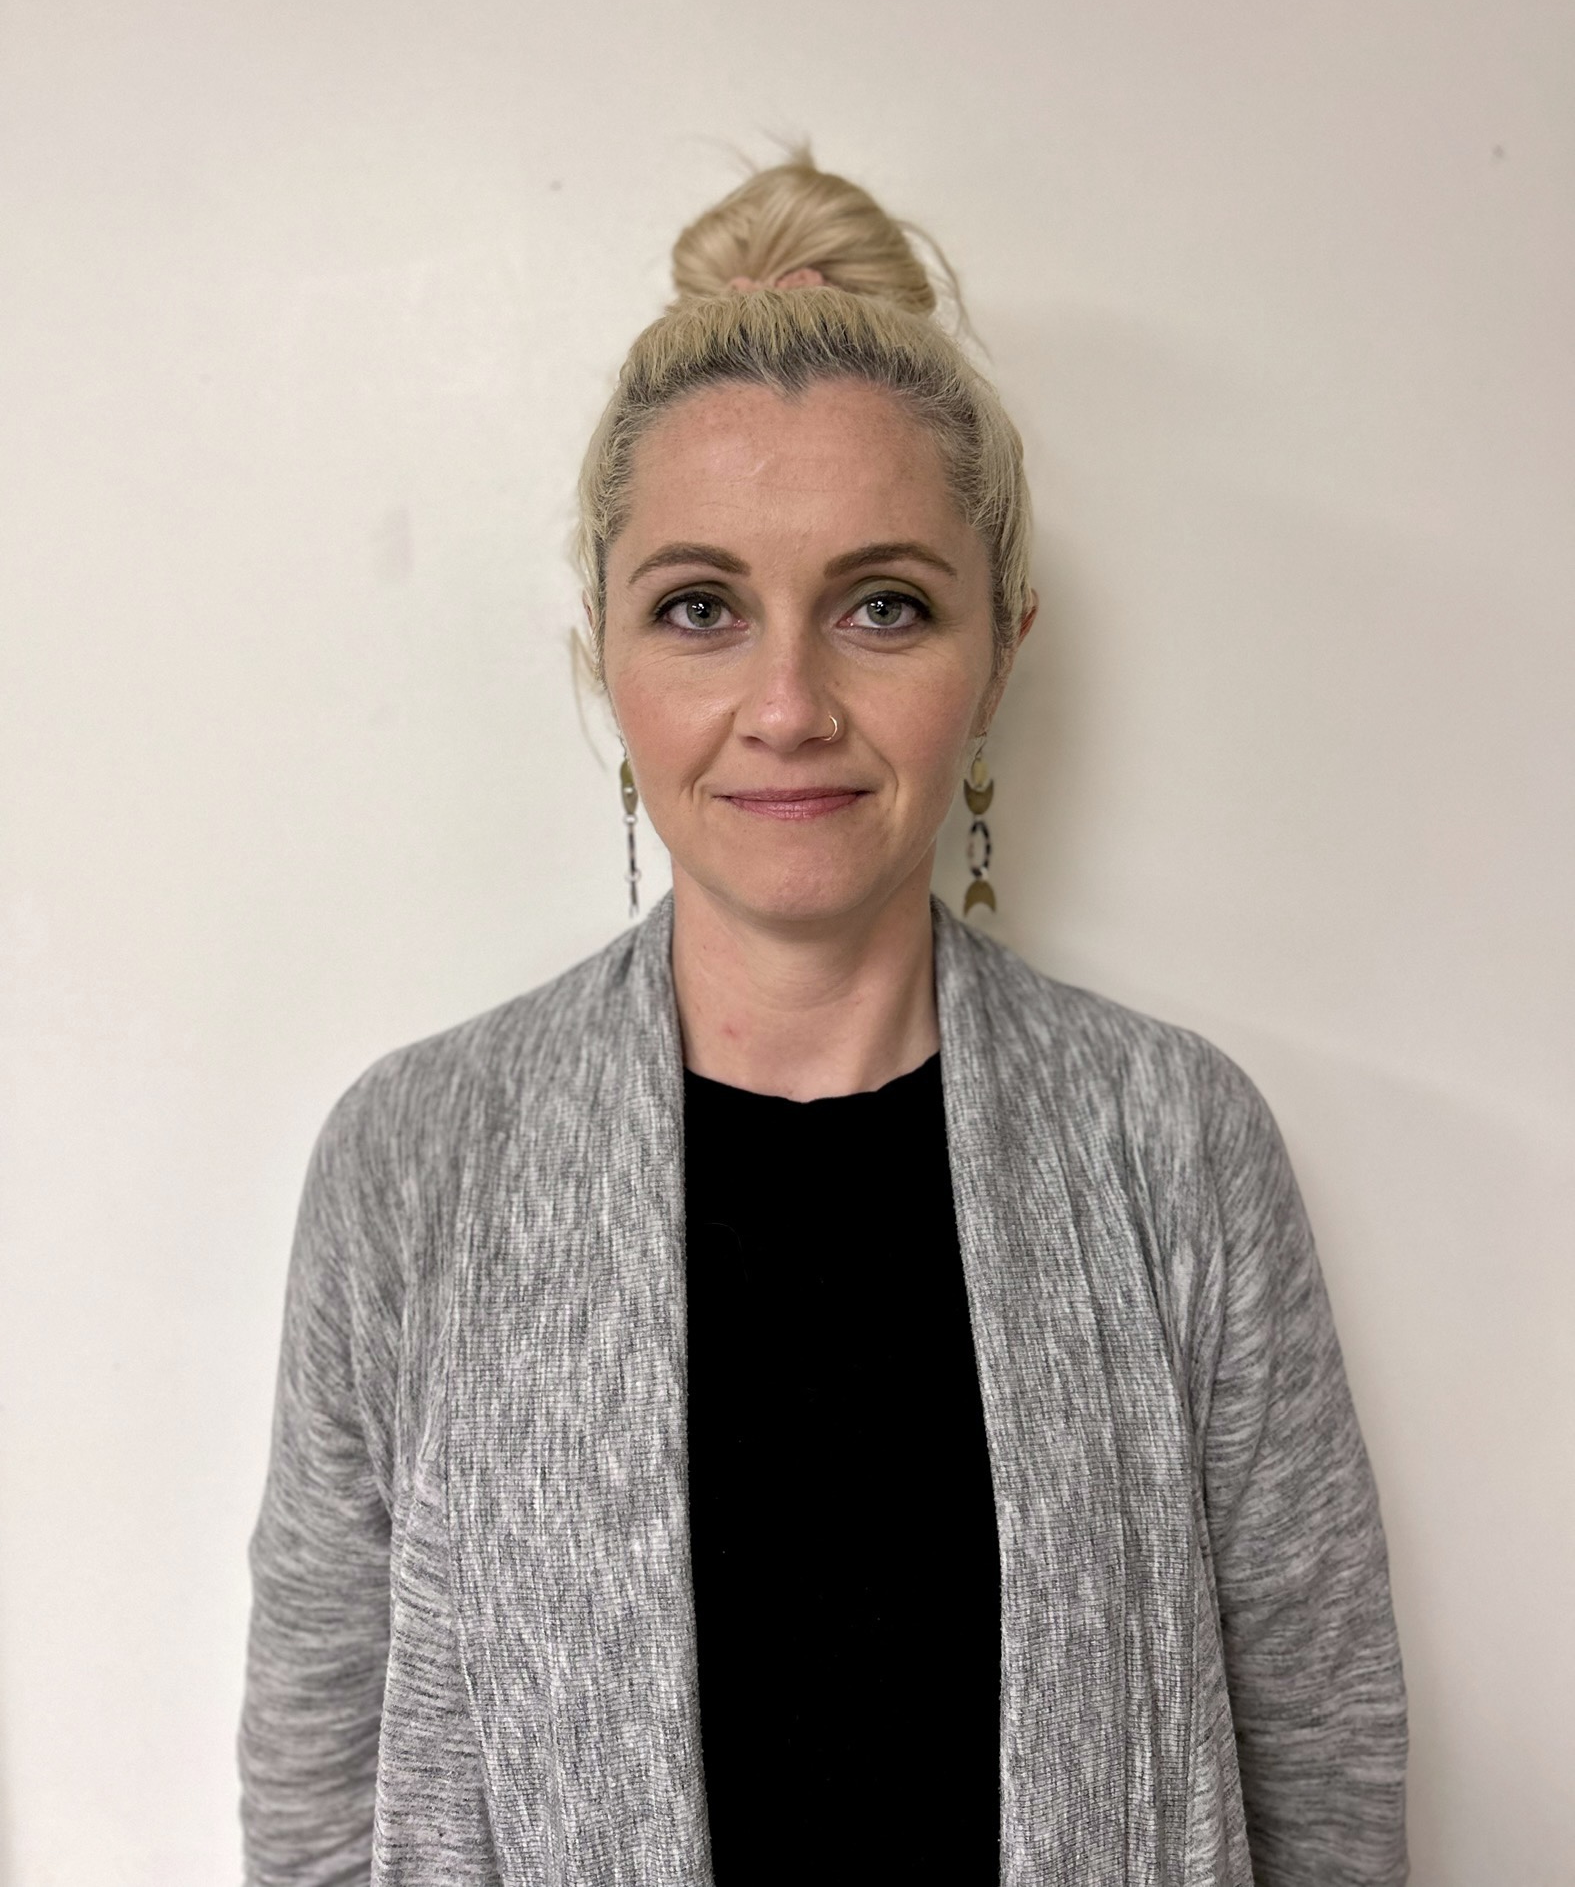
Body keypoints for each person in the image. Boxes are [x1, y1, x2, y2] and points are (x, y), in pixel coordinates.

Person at [239, 156, 1408, 1886]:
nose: (786, 707)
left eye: (883, 607)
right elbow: (320, 1801)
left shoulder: (1176, 1149)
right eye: (701, 609)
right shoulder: (416, 1166)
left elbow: (1323, 1782)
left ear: (997, 655)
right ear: (605, 656)